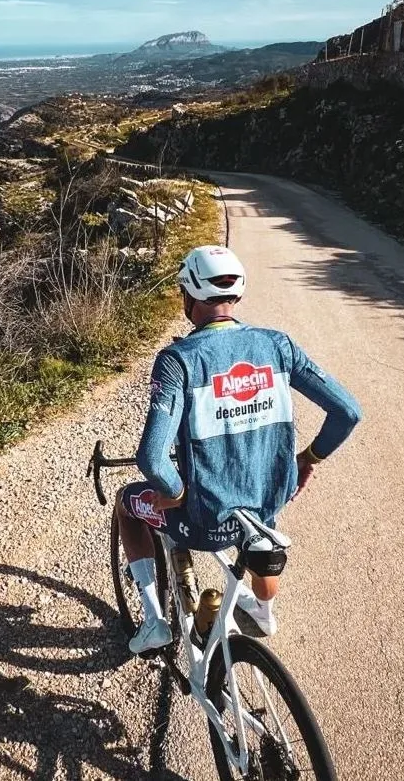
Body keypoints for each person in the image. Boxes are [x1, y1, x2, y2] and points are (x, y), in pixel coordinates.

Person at [116, 245, 363, 654]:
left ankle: (154, 621)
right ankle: (264, 615)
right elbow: (348, 412)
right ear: (237, 295)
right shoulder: (279, 346)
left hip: (201, 520)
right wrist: (308, 459)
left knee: (127, 505)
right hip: (266, 501)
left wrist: (174, 493)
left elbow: (152, 458)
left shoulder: (178, 360)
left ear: (189, 297)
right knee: (265, 533)